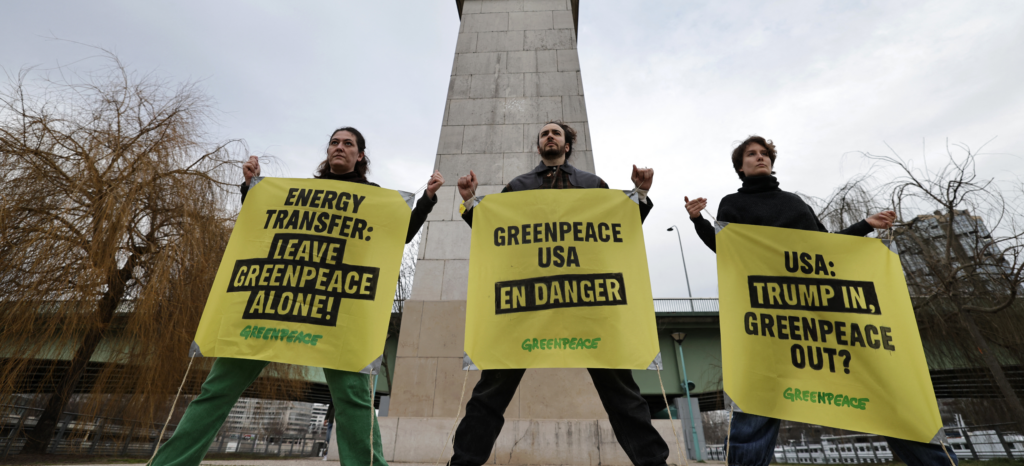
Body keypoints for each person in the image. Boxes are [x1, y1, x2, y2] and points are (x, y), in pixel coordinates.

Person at [152, 127, 444, 466]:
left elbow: (400, 235)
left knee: (353, 400)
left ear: (360, 156)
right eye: (334, 142)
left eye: (348, 144)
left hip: (335, 310)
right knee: (217, 389)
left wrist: (426, 201)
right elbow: (261, 221)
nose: (339, 147)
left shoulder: (374, 198)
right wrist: (251, 188)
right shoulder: (301, 191)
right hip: (275, 302)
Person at [686, 135, 957, 466]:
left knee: (886, 394)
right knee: (756, 405)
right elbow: (728, 250)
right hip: (773, 319)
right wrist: (699, 221)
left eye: (765, 154)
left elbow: (825, 251)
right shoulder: (732, 204)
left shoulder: (795, 202)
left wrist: (864, 227)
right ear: (740, 167)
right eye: (751, 155)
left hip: (824, 315)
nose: (760, 158)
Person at [450, 121, 670, 466]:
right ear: (539, 145)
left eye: (556, 133)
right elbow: (495, 234)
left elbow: (617, 230)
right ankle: (462, 462)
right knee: (489, 395)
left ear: (568, 144)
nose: (549, 136)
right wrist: (471, 203)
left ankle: (653, 462)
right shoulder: (517, 187)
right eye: (544, 133)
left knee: (623, 397)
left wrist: (639, 195)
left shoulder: (594, 185)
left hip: (589, 308)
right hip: (526, 308)